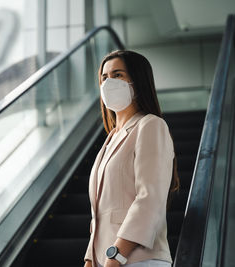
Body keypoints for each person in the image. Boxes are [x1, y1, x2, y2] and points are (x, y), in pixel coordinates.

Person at [83, 50, 180, 267]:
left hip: (138, 259)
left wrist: (116, 255)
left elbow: (150, 198)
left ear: (137, 81)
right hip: (108, 260)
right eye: (104, 78)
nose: (109, 83)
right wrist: (90, 259)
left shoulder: (150, 125)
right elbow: (100, 214)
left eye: (117, 75)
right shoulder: (110, 140)